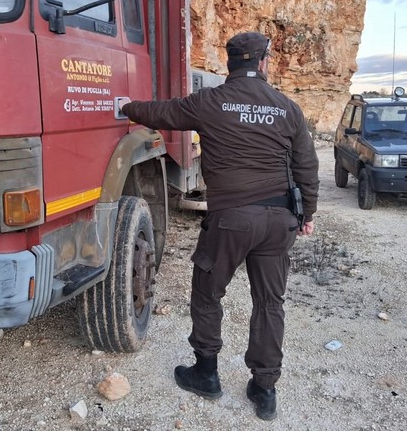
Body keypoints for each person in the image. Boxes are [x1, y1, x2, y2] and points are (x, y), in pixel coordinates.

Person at [121, 31, 319, 421]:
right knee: (269, 302)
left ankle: (206, 374)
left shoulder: (210, 101)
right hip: (279, 220)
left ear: (230, 64)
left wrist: (125, 106)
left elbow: (160, 112)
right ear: (263, 62)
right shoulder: (288, 108)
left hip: (231, 220)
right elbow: (306, 167)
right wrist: (306, 214)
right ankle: (264, 390)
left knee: (208, 293)